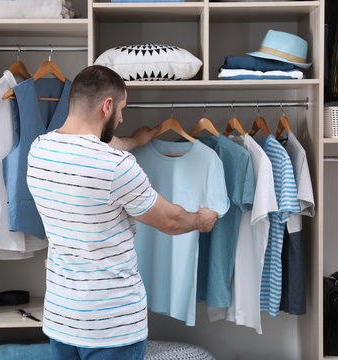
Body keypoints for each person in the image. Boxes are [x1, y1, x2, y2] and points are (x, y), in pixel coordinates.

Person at [26, 65, 219, 360]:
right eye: (121, 109)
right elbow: (170, 221)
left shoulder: (39, 151)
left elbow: (88, 150)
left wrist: (134, 142)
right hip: (112, 326)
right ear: (107, 106)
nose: (122, 117)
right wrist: (200, 219)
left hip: (61, 318)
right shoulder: (118, 166)